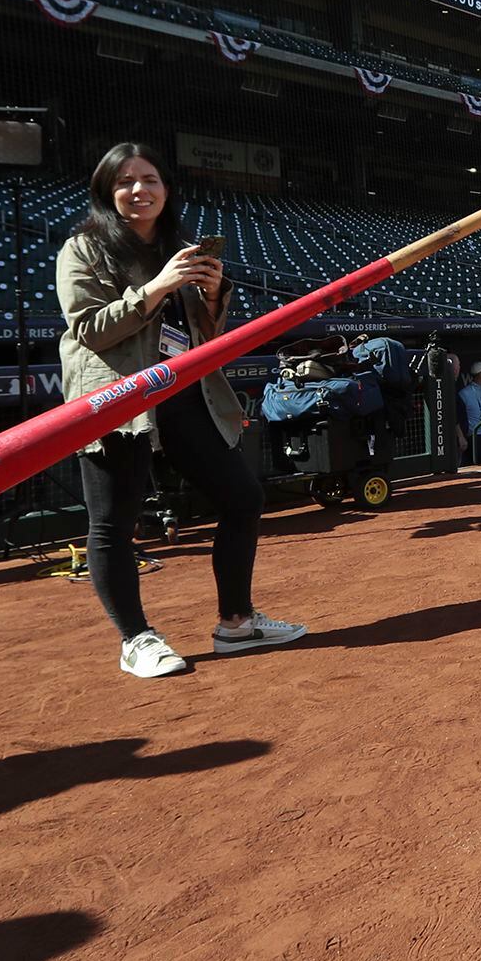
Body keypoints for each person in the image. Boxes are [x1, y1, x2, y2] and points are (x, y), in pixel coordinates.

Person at [57, 142, 302, 679]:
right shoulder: (84, 248)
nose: (138, 190)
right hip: (117, 397)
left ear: (167, 190)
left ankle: (236, 622)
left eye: (149, 180)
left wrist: (212, 297)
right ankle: (136, 638)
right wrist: (159, 286)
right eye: (124, 182)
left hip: (183, 390)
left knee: (242, 497)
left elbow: (202, 335)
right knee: (113, 523)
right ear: (107, 192)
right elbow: (92, 328)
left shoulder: (182, 247)